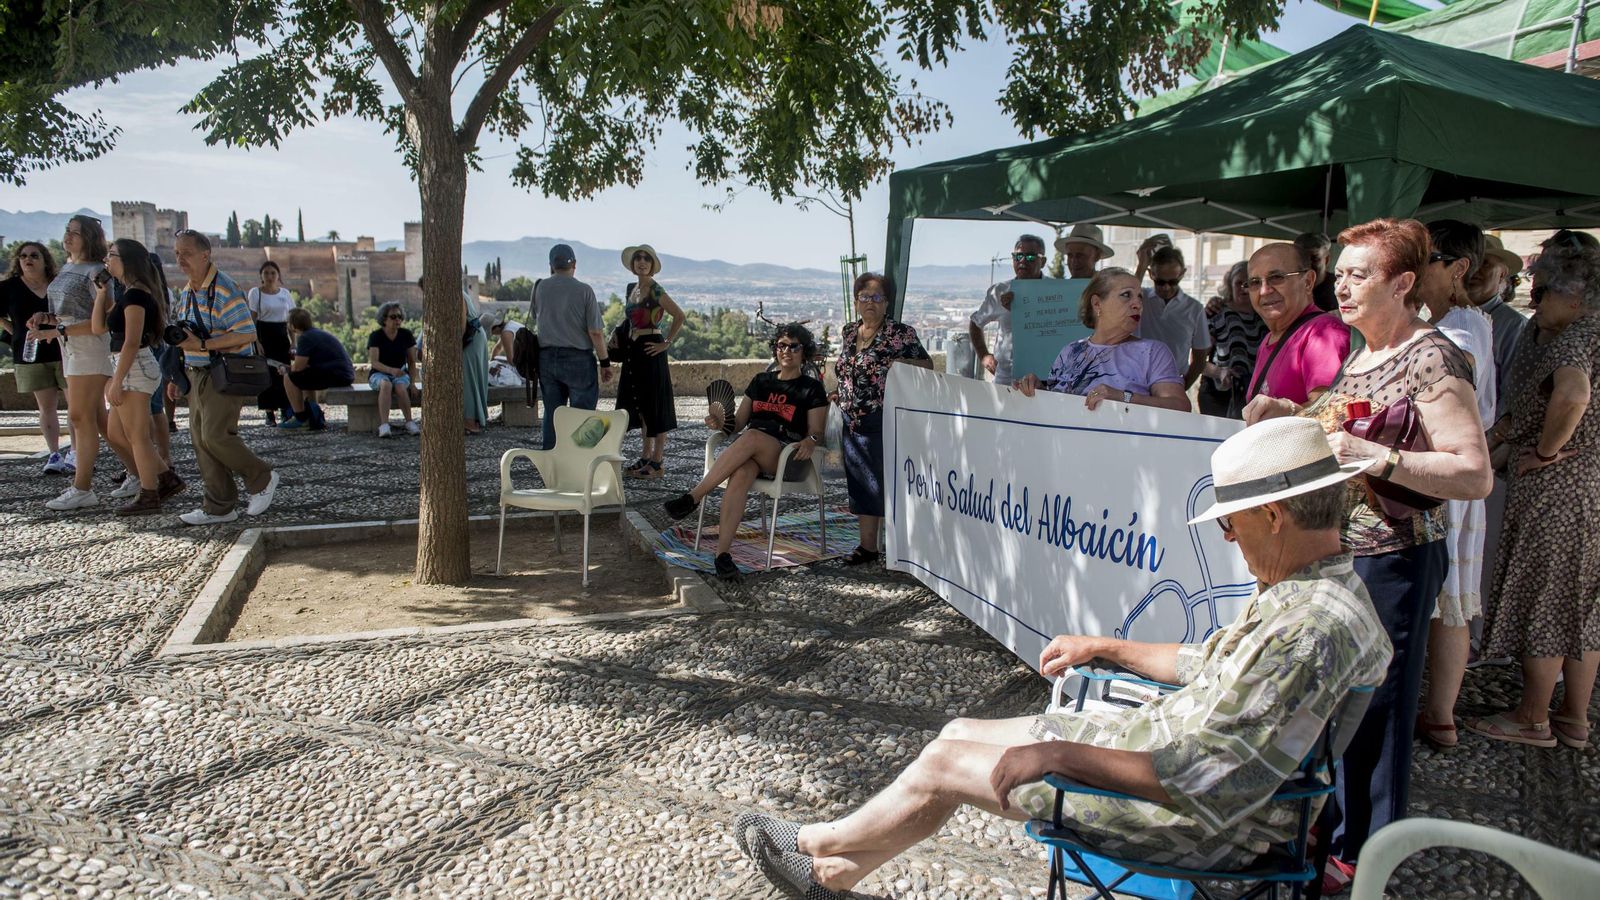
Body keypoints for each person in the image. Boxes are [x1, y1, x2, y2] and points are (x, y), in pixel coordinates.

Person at [733, 416, 1391, 900]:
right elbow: (1207, 664)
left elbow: (1210, 779)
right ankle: (837, 876)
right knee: (956, 735)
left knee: (943, 763)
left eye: (1230, 524)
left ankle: (820, 845)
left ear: (1273, 516)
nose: (1228, 539)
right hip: (1157, 754)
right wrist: (1106, 646)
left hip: (1191, 820)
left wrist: (1056, 755)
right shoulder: (1311, 591)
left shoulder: (1308, 627)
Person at [1253, 218, 1491, 877]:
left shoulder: (1432, 357)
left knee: (1379, 718)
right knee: (1337, 706)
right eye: (1340, 275)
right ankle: (1330, 834)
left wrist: (1376, 457)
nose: (1343, 287)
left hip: (1396, 560)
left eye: (1360, 275)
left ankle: (1364, 861)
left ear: (1404, 283)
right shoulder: (1364, 353)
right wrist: (1288, 414)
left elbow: (1473, 473)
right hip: (1344, 556)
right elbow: (1338, 429)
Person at [1467, 243, 1600, 751]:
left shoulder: (1576, 338)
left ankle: (1532, 716)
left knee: (1545, 600)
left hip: (1558, 490)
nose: (1534, 300)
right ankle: (1574, 717)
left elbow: (1572, 393)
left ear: (1574, 295)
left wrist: (1546, 450)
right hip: (1589, 482)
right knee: (1583, 608)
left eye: (1543, 290)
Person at [1413, 220, 1496, 750]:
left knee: (1446, 602)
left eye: (1426, 260)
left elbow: (1449, 373)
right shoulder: (1448, 320)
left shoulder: (1462, 327)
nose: (1414, 271)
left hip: (1444, 475)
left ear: (1457, 269)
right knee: (1446, 602)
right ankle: (1438, 713)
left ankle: (1439, 713)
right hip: (1438, 475)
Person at [661, 324, 828, 581]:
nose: (787, 351)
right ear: (775, 350)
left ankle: (693, 497)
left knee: (751, 436)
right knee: (741, 472)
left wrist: (811, 440)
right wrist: (719, 423)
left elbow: (817, 430)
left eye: (794, 346)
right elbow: (737, 424)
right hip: (753, 452)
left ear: (803, 352)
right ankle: (722, 556)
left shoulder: (810, 388)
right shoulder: (761, 382)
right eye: (782, 345)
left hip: (787, 456)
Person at [169, 229, 278, 525]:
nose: (180, 259)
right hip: (195, 373)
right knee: (201, 440)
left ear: (205, 255)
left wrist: (203, 344)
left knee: (216, 436)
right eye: (177, 253)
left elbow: (247, 332)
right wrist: (176, 374)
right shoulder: (188, 292)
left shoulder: (224, 288)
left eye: (186, 254)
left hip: (222, 373)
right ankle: (219, 507)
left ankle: (261, 477)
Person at [33, 215, 137, 511]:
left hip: (89, 349)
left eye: (75, 233)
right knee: (101, 422)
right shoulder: (67, 267)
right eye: (67, 231)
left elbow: (100, 320)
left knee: (79, 418)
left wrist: (58, 330)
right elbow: (67, 312)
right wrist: (45, 319)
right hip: (71, 348)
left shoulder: (96, 273)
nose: (68, 236)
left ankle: (82, 487)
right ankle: (139, 474)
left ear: (88, 238)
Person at [834, 273, 932, 566]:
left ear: (887, 302)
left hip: (884, 418)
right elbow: (848, 369)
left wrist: (905, 363)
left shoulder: (901, 334)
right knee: (861, 484)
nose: (871, 303)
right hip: (851, 420)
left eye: (877, 298)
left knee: (885, 484)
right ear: (856, 301)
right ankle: (868, 547)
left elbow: (926, 365)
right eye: (865, 297)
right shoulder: (850, 332)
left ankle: (905, 550)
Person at [89, 239, 185, 514]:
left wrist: (117, 380)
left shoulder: (136, 296)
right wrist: (100, 294)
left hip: (134, 367)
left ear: (128, 260)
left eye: (112, 254)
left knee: (137, 436)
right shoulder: (127, 293)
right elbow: (98, 328)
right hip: (127, 365)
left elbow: (132, 341)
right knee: (116, 432)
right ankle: (167, 478)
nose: (107, 259)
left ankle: (149, 494)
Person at [1015, 268, 1191, 412]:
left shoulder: (1153, 351)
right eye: (1126, 295)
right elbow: (1054, 404)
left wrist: (1125, 398)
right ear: (1097, 304)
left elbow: (1180, 406)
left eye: (1140, 297)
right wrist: (1036, 389)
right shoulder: (1070, 351)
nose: (1137, 304)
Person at [1240, 242, 1351, 422]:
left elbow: (1331, 413)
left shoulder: (1323, 333)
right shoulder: (1270, 338)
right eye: (1254, 282)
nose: (1264, 290)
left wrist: (1289, 410)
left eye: (1276, 277)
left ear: (1308, 281)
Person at [532, 243, 612, 449]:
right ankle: (579, 461)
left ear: (551, 265)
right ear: (574, 264)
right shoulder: (584, 291)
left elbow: (537, 319)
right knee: (582, 414)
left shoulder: (539, 288)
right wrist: (605, 363)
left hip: (547, 358)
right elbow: (595, 332)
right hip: (578, 360)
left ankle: (551, 463)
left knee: (553, 413)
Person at [0, 241, 71, 474]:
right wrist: (18, 333)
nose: (27, 259)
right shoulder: (9, 287)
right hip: (30, 355)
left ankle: (77, 452)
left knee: (76, 408)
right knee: (46, 407)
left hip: (64, 351)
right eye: (22, 256)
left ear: (44, 260)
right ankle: (54, 454)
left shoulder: (57, 284)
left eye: (33, 255)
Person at [615, 244, 684, 478]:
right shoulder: (630, 288)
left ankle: (657, 461)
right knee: (641, 405)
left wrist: (667, 342)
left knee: (656, 405)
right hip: (634, 351)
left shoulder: (655, 289)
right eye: (638, 259)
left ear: (652, 265)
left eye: (646, 259)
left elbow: (679, 315)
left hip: (651, 348)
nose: (642, 262)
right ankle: (645, 455)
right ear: (633, 264)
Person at [969, 234, 1044, 386]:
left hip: (1043, 378)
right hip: (1006, 377)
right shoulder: (999, 291)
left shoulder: (1055, 291)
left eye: (1030, 256)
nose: (1022, 261)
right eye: (1017, 256)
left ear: (1042, 261)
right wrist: (984, 355)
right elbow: (976, 323)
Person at [1133, 243, 1209, 388]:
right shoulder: (1141, 298)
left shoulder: (1195, 309)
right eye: (1160, 282)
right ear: (1151, 274)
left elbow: (1200, 358)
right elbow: (1123, 295)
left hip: (1172, 382)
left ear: (1182, 274)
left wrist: (1182, 386)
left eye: (1173, 282)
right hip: (1136, 380)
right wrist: (1141, 266)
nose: (1166, 287)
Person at [1197, 260, 1266, 419]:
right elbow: (1197, 361)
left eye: (1248, 284)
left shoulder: (1265, 317)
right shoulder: (1217, 313)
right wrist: (1219, 372)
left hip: (1254, 395)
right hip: (1218, 393)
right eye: (1238, 283)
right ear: (1229, 285)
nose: (1244, 289)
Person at [279, 307, 353, 431]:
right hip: (344, 374)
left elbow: (297, 367)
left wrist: (285, 369)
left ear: (292, 325)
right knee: (305, 377)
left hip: (337, 375)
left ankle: (300, 418)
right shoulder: (316, 333)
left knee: (289, 377)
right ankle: (313, 415)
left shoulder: (304, 338)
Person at [247, 260, 294, 425]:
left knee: (283, 373)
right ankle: (269, 413)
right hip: (264, 336)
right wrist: (256, 342)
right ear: (261, 275)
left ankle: (284, 409)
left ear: (278, 275)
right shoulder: (255, 293)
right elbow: (252, 320)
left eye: (273, 273)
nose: (269, 276)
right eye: (266, 273)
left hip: (281, 336)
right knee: (266, 374)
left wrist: (293, 341)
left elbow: (290, 320)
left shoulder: (285, 294)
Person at [366, 301, 420, 437]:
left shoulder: (406, 335)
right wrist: (391, 370)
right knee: (386, 385)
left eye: (399, 316)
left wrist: (413, 383)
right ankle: (384, 425)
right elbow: (374, 362)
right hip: (379, 373)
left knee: (401, 386)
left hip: (400, 373)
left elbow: (412, 361)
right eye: (393, 317)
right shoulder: (375, 336)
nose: (398, 320)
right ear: (384, 319)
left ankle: (409, 422)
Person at [462, 287, 490, 434]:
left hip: (469, 339)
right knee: (474, 377)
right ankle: (475, 417)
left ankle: (470, 420)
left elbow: (461, 323)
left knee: (468, 379)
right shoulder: (461, 294)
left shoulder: (457, 295)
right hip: (474, 337)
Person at [1296, 232, 1338, 312]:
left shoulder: (1339, 288)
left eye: (1314, 259)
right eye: (1301, 258)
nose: (1307, 264)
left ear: (1327, 259)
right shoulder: (1292, 287)